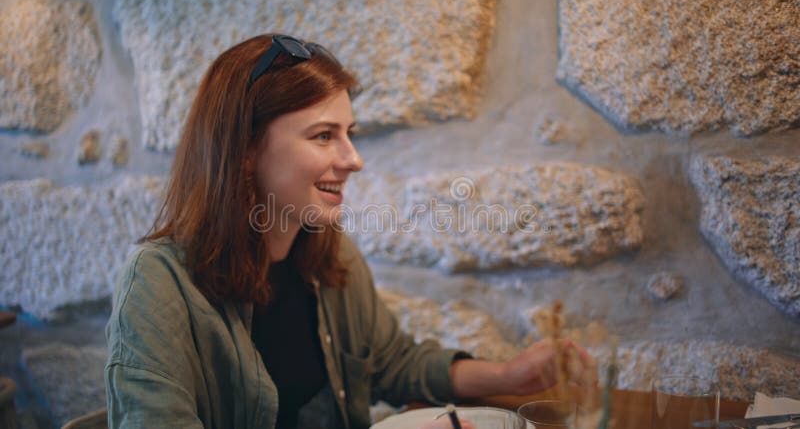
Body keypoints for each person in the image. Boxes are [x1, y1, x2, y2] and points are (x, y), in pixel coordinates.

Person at [104, 34, 594, 429]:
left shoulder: (329, 257)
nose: (353, 160)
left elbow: (389, 362)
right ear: (247, 150)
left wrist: (508, 374)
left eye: (349, 134)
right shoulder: (157, 285)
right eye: (323, 136)